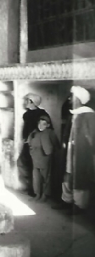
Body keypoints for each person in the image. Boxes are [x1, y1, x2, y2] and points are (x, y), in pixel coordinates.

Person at [52, 86, 95, 214]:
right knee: (68, 175)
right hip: (70, 151)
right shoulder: (73, 114)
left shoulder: (89, 115)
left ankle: (79, 206)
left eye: (72, 97)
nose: (70, 99)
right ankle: (67, 201)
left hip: (82, 153)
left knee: (80, 178)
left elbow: (92, 137)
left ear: (79, 99)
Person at [18, 93, 49, 195]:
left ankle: (39, 192)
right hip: (28, 143)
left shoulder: (42, 113)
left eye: (27, 100)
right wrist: (25, 139)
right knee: (24, 164)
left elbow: (46, 129)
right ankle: (32, 188)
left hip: (38, 145)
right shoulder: (26, 114)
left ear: (32, 102)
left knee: (38, 168)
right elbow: (26, 128)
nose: (25, 102)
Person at [27, 115, 60, 202]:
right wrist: (32, 151)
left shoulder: (50, 132)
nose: (41, 126)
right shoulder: (34, 132)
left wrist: (54, 155)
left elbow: (56, 145)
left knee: (46, 177)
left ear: (48, 125)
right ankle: (37, 194)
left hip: (45, 157)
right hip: (35, 157)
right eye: (39, 124)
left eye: (44, 124)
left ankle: (44, 195)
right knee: (36, 177)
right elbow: (29, 142)